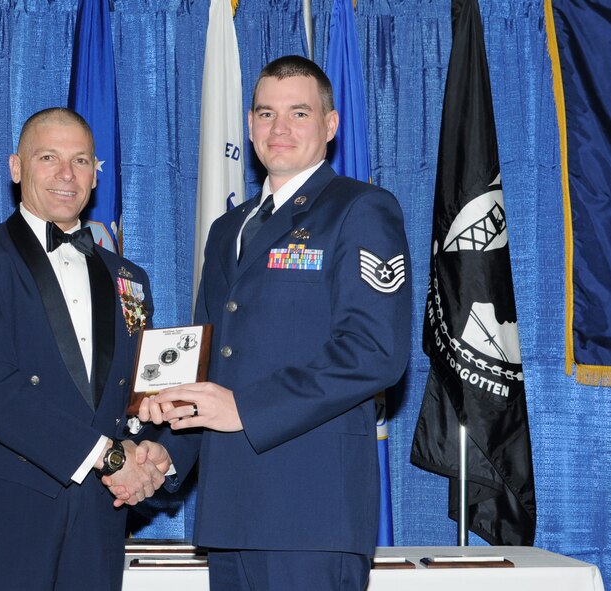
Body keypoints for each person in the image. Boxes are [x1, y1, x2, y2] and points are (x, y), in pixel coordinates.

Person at [138, 56, 412, 590]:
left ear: (330, 126)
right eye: (266, 113)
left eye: (299, 113)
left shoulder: (361, 210)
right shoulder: (228, 229)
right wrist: (165, 454)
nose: (279, 129)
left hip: (310, 514)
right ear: (249, 124)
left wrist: (244, 408)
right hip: (229, 512)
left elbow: (375, 351)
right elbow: (209, 361)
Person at [0, 107, 171, 590]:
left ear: (95, 174)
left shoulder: (130, 279)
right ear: (16, 167)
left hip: (103, 510)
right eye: (49, 157)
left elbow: (143, 395)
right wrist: (114, 460)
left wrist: (158, 456)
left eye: (81, 161)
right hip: (9, 509)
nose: (67, 174)